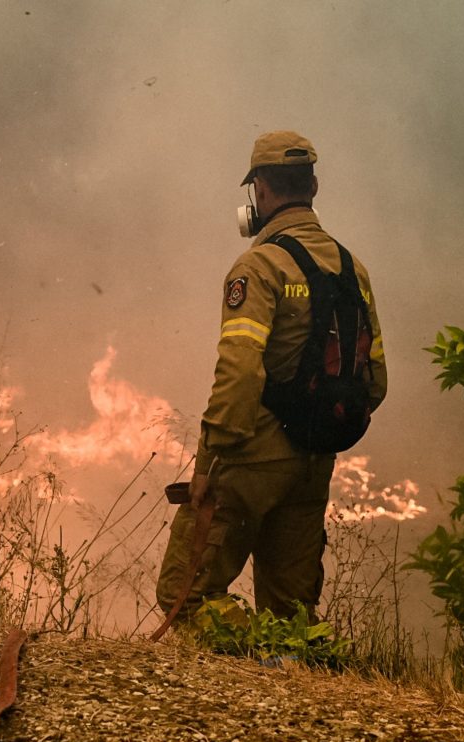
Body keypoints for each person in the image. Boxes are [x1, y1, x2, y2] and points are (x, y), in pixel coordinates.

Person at [156, 130, 388, 622]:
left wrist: (208, 462)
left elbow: (239, 372)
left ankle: (229, 680)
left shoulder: (259, 266)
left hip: (251, 459)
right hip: (314, 462)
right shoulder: (353, 269)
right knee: (292, 615)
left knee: (186, 596)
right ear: (314, 186)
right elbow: (377, 379)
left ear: (259, 190)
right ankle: (292, 687)